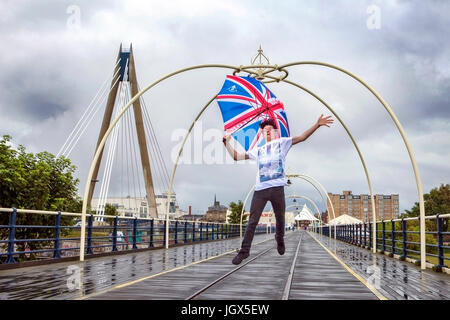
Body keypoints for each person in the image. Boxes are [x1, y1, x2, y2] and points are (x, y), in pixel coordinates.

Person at [223, 114, 334, 265]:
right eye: (265, 130)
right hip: (260, 189)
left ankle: (279, 238)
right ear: (262, 133)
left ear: (275, 132)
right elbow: (236, 157)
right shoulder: (258, 150)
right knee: (252, 221)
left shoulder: (282, 143)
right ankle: (244, 251)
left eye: (270, 129)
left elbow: (302, 137)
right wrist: (226, 143)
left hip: (277, 188)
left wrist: (317, 124)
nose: (267, 131)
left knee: (280, 218)